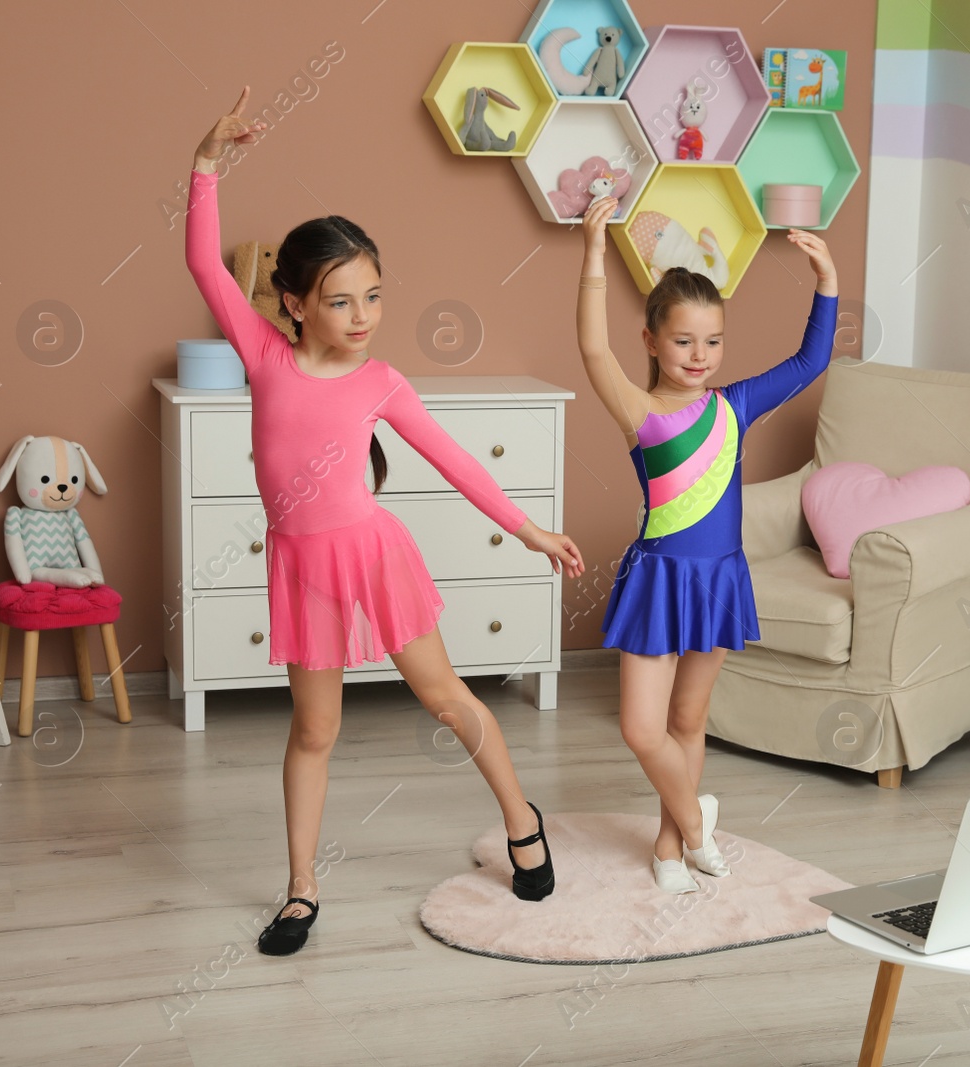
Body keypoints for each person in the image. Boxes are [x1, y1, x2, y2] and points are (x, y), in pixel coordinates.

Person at [186, 88, 585, 954]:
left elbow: (455, 459)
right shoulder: (262, 355)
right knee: (314, 730)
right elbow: (205, 267)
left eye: (373, 295)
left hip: (372, 555)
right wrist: (206, 166)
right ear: (293, 303)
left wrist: (527, 528)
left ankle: (522, 816)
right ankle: (300, 889)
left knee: (446, 698)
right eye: (341, 301)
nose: (363, 316)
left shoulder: (382, 382)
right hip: (300, 567)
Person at [574, 194, 838, 893]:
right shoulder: (639, 410)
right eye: (685, 340)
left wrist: (827, 285)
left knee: (689, 719)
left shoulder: (735, 405)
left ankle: (669, 847)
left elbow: (812, 359)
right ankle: (697, 821)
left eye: (713, 342)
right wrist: (595, 254)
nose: (700, 356)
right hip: (660, 579)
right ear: (652, 341)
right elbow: (593, 348)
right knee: (642, 726)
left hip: (719, 576)